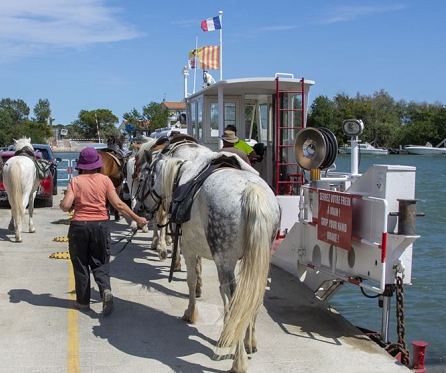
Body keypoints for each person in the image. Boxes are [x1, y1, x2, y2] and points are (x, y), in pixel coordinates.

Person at [59, 147, 147, 316]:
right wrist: (138, 219)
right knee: (100, 262)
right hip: (100, 226)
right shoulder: (105, 180)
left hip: (79, 227)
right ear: (97, 164)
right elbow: (119, 205)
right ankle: (105, 291)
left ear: (82, 165)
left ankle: (83, 302)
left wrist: (67, 204)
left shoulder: (75, 181)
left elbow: (65, 206)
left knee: (81, 265)